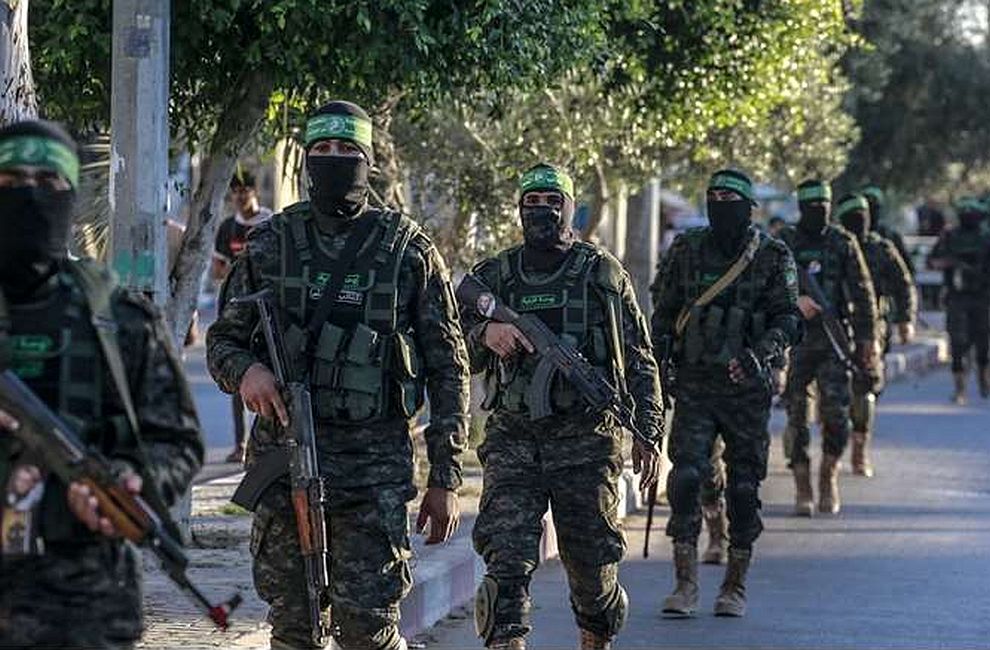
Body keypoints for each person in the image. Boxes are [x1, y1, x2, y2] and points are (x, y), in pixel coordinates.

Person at [206, 100, 470, 650]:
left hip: (372, 474)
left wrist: (445, 478)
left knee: (368, 629)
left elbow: (449, 368)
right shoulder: (271, 243)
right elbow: (222, 340)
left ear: (368, 160)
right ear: (307, 159)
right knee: (292, 628)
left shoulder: (407, 250)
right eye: (322, 149)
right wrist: (247, 371)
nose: (334, 158)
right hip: (283, 463)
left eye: (347, 149)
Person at [0, 119, 204, 648]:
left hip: (86, 604)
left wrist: (132, 480)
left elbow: (177, 441)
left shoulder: (117, 319)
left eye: (47, 181)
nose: (29, 195)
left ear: (70, 196)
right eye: (11, 181)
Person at [462, 163, 662, 650]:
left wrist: (648, 431)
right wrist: (486, 332)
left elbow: (638, 356)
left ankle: (595, 637)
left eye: (553, 202)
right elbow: (448, 341)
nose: (542, 211)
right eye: (531, 202)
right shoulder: (496, 275)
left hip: (587, 442)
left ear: (570, 207)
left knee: (593, 573)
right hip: (513, 440)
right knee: (505, 564)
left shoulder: (601, 273)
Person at [651, 169, 801, 618]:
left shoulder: (772, 255)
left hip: (745, 390)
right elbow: (664, 310)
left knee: (743, 488)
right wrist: (660, 358)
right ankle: (685, 584)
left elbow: (789, 318)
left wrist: (760, 355)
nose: (720, 204)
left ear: (748, 206)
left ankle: (734, 585)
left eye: (729, 197)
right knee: (686, 478)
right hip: (695, 384)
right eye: (713, 196)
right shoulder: (686, 249)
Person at [779, 180, 877, 516]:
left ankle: (828, 475)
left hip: (835, 341)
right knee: (795, 414)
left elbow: (862, 292)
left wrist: (866, 340)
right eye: (812, 205)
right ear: (801, 207)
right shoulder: (784, 243)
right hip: (794, 342)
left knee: (837, 414)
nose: (818, 210)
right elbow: (765, 289)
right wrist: (794, 302)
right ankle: (802, 481)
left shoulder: (843, 242)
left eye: (824, 204)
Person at [836, 194, 916, 476]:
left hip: (871, 328)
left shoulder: (882, 248)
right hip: (834, 328)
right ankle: (834, 445)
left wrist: (906, 320)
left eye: (862, 214)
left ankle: (859, 450)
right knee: (833, 390)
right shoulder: (835, 246)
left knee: (866, 387)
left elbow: (903, 284)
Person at [212, 170, 273, 463]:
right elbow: (217, 270)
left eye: (244, 191)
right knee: (239, 376)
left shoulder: (271, 223)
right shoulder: (228, 228)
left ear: (253, 192)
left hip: (268, 314)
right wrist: (241, 272)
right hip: (235, 312)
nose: (239, 197)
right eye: (234, 192)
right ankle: (240, 443)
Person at [926, 198, 990, 404]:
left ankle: (984, 382)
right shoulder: (949, 237)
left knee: (983, 343)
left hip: (983, 297)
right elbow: (932, 261)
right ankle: (960, 389)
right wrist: (951, 263)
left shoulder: (986, 238)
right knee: (958, 344)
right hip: (957, 298)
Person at [862, 186, 914, 276]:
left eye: (874, 207)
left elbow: (908, 268)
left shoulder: (891, 236)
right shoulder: (852, 239)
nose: (871, 212)